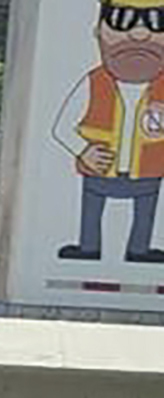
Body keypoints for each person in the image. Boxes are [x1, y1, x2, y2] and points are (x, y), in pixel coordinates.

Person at [52, 0, 164, 264]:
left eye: (157, 22)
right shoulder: (93, 83)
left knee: (144, 212)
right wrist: (83, 151)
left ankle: (139, 250)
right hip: (99, 169)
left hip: (147, 172)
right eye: (121, 19)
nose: (139, 34)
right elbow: (61, 127)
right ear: (98, 32)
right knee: (92, 209)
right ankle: (89, 247)